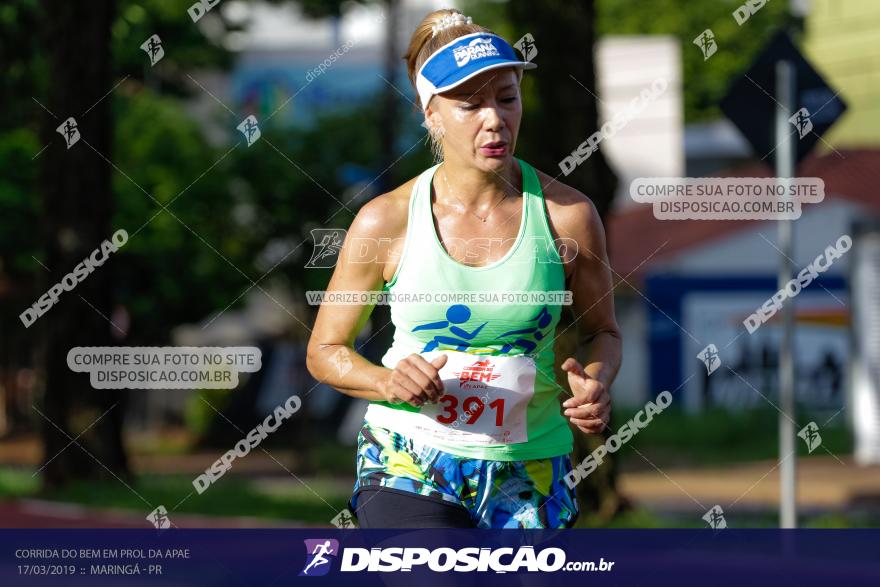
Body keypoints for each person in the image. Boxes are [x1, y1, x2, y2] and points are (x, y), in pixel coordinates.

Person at [306, 8, 622, 529]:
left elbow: (603, 332)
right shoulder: (384, 220)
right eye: (469, 104)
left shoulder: (569, 217)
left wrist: (596, 380)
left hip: (531, 467)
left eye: (506, 98)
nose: (494, 119)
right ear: (429, 113)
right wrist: (387, 381)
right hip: (409, 458)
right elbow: (325, 352)